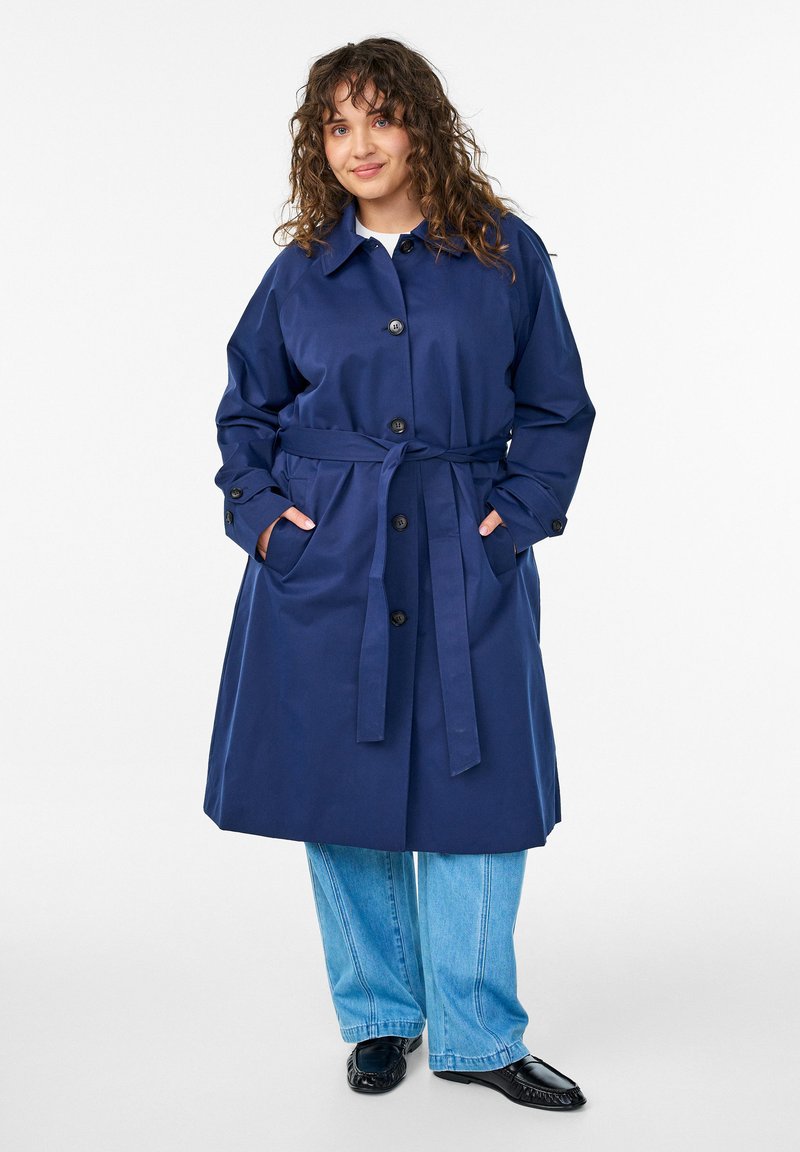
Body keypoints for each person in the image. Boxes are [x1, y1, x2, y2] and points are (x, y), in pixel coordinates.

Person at [204, 37, 596, 1110]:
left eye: (379, 116)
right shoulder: (301, 271)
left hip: (463, 547)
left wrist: (512, 522)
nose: (359, 144)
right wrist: (268, 526)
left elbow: (556, 405)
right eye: (337, 125)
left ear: (423, 124)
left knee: (479, 787)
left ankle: (477, 1034)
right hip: (326, 557)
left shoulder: (503, 253)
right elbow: (244, 411)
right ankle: (380, 1015)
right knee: (341, 788)